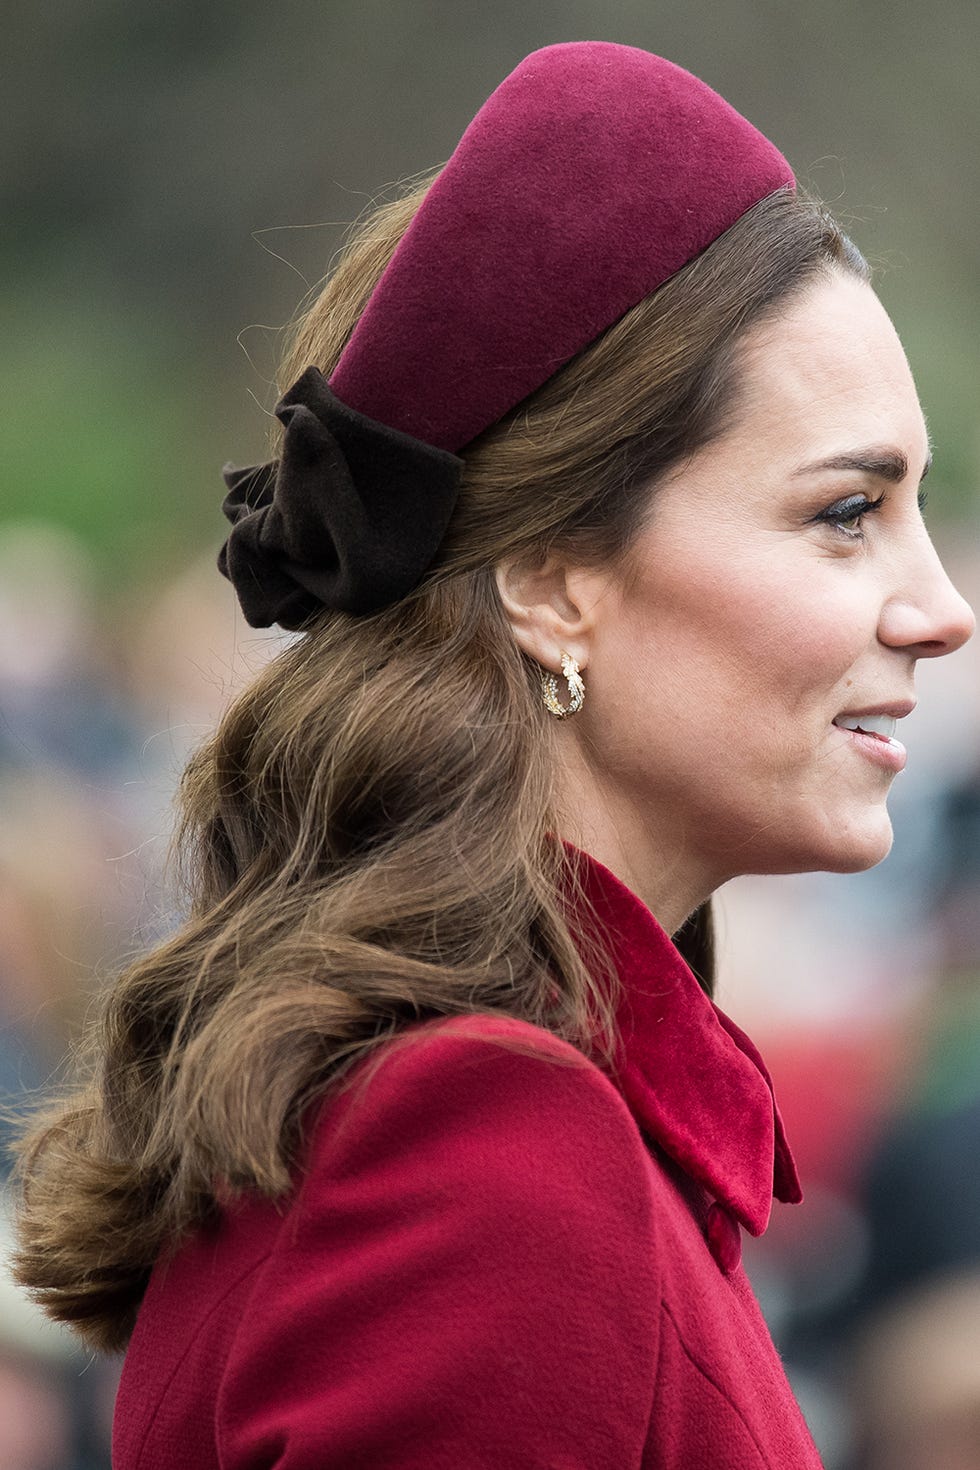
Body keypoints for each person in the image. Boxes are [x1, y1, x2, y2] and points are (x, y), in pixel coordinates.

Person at [10, 41, 974, 1470]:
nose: (940, 610)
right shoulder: (496, 1147)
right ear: (550, 574)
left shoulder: (495, 1106)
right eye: (845, 512)